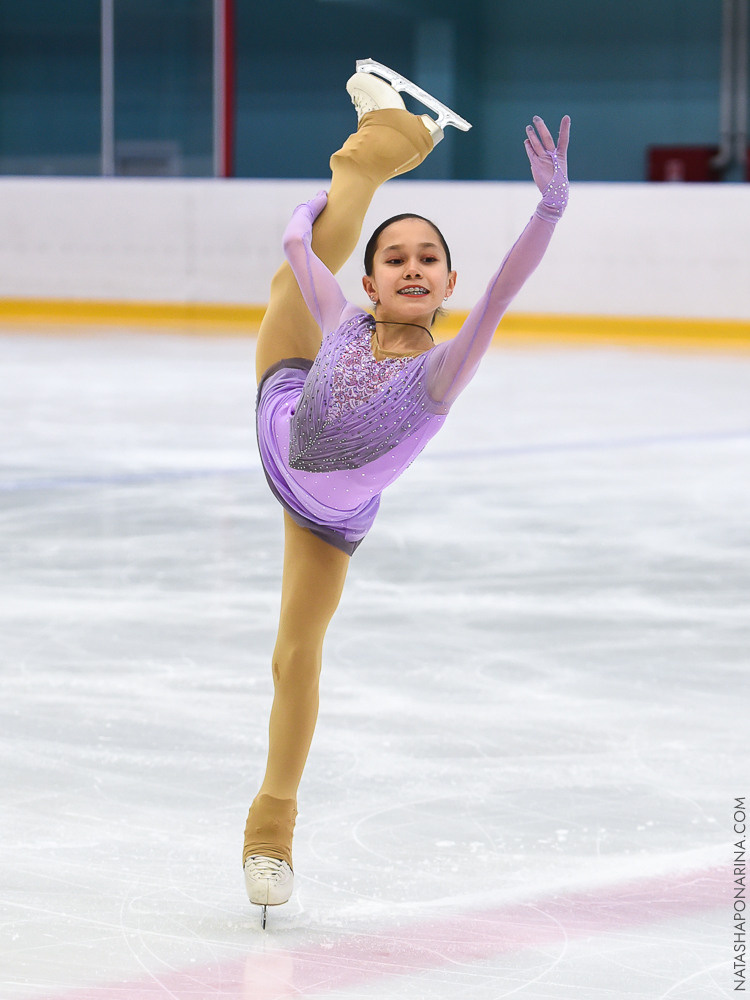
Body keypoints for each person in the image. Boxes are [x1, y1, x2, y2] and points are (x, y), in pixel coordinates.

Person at [243, 61, 571, 923]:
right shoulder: (346, 318)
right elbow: (299, 259)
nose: (413, 266)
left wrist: (548, 209)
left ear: (447, 285)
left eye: (429, 258)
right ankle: (373, 153)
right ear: (374, 281)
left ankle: (272, 825)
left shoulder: (442, 371)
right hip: (280, 410)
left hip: (326, 514)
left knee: (293, 654)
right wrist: (294, 234)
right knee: (289, 290)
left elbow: (503, 292)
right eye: (395, 257)